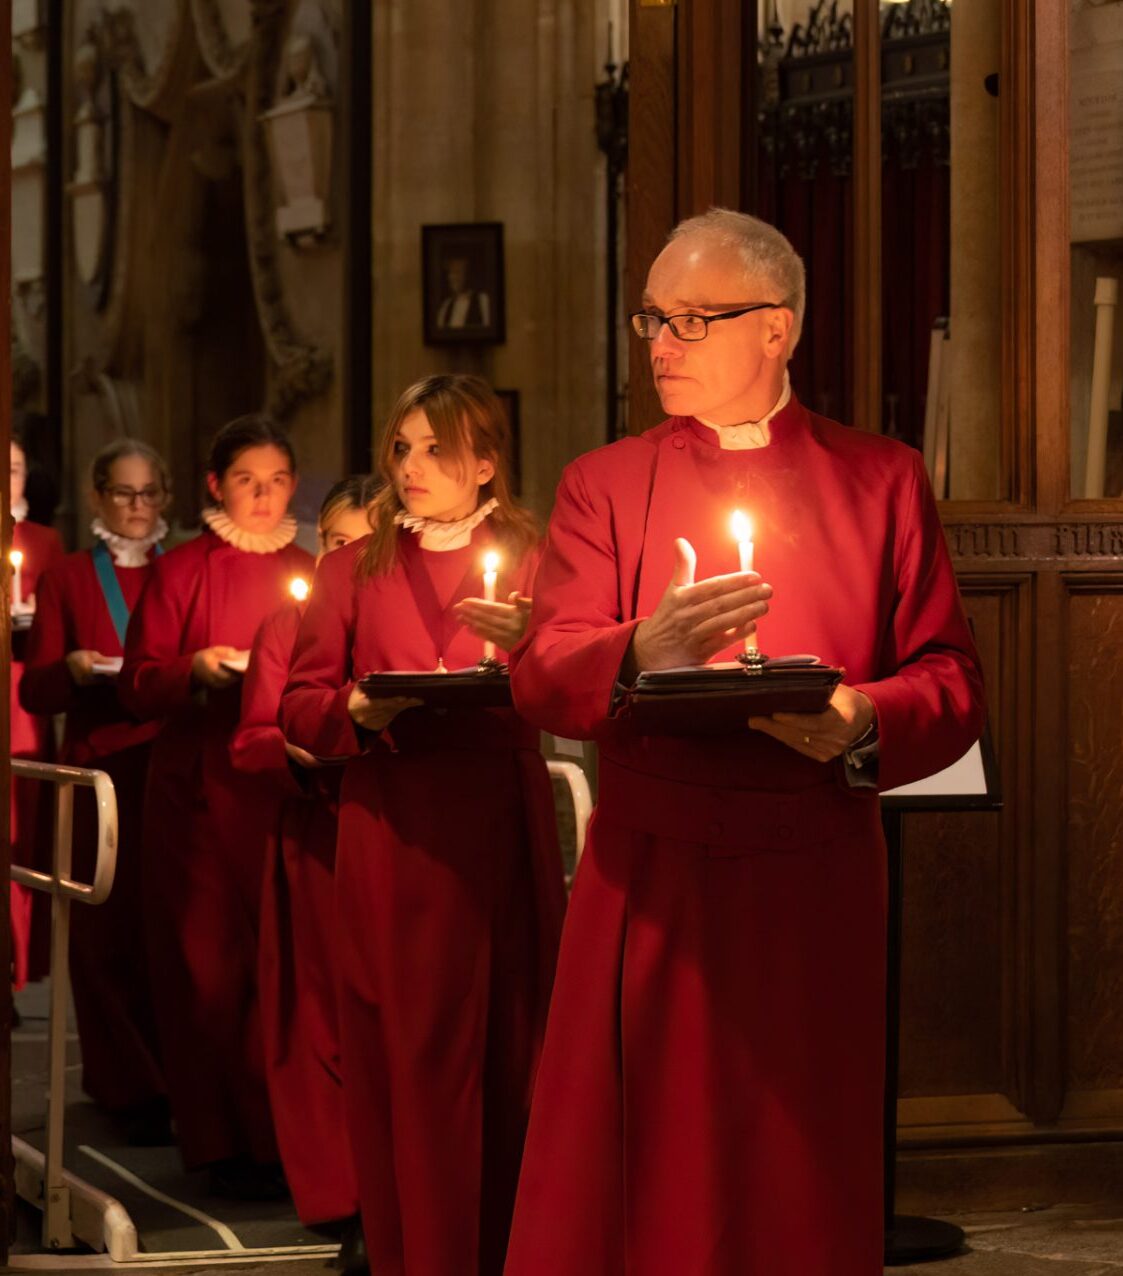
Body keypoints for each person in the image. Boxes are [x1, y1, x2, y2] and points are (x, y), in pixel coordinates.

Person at [503, 208, 987, 1276]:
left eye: (691, 318)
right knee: (636, 1172)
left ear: (776, 328)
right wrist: (640, 646)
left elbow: (949, 678)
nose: (661, 343)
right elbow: (537, 669)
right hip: (652, 871)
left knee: (794, 1164)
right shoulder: (606, 482)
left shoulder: (882, 479)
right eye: (651, 319)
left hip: (810, 870)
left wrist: (860, 715)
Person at [280, 374, 565, 1276]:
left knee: (502, 1043)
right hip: (390, 829)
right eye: (400, 448)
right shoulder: (349, 566)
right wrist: (353, 714)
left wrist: (529, 644)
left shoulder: (533, 553)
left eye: (435, 448)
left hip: (489, 827)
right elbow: (298, 706)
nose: (411, 466)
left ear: (486, 462)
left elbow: (578, 682)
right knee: (401, 1053)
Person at [118, 415, 313, 1198]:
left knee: (283, 971)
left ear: (295, 486)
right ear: (214, 486)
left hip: (279, 791)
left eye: (275, 482)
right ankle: (220, 1140)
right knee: (205, 971)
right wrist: (194, 668)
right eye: (245, 482)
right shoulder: (182, 571)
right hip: (196, 793)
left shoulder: (315, 567)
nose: (262, 498)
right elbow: (138, 681)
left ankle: (287, 1138)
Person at [231, 475, 379, 1267]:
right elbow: (251, 735)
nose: (343, 558)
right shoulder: (288, 621)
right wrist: (292, 751)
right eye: (333, 543)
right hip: (315, 835)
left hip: (390, 834)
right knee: (320, 1021)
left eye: (360, 542)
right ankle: (344, 1196)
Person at [20, 439, 172, 1143]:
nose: (136, 509)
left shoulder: (183, 571)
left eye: (148, 494)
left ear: (166, 497)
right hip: (99, 772)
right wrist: (76, 667)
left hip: (168, 766)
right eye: (123, 494)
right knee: (103, 937)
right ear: (96, 497)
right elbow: (36, 685)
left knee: (166, 935)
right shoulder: (71, 578)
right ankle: (125, 1086)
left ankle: (175, 1080)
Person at [9, 436, 64, 991]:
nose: (9, 477)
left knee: (23, 830)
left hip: (21, 692)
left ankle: (16, 967)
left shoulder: (45, 540)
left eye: (17, 468)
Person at [436, 255, 491, 329]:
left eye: (457, 272)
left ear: (467, 273)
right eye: (450, 273)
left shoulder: (483, 301)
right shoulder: (446, 306)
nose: (452, 277)